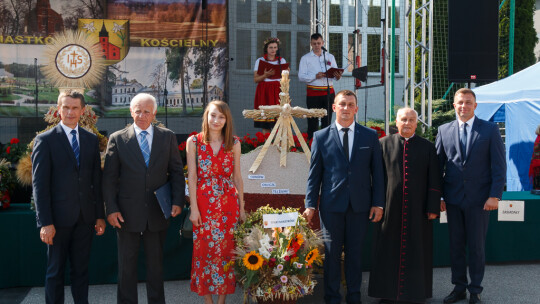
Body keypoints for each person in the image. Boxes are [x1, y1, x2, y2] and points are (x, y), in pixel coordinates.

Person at [303, 90, 385, 304]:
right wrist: (310, 204)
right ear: (334, 107)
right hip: (331, 207)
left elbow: (377, 173)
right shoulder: (320, 137)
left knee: (355, 254)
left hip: (360, 206)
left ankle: (354, 297)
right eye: (342, 104)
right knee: (330, 256)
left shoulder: (370, 136)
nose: (346, 108)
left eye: (350, 104)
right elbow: (315, 175)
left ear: (356, 109)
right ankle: (332, 298)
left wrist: (378, 203)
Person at [102, 93, 185, 304]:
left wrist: (177, 201)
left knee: (156, 268)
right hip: (126, 214)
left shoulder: (167, 137)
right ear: (131, 111)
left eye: (146, 111)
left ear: (154, 113)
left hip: (157, 212)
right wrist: (111, 209)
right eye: (137, 110)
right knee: (127, 268)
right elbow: (109, 179)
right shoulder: (118, 139)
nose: (141, 115)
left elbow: (176, 172)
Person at [32, 89, 106, 304]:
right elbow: (40, 185)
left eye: (75, 108)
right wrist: (45, 222)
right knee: (55, 272)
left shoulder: (91, 140)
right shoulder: (45, 140)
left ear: (83, 110)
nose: (70, 112)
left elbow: (96, 181)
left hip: (85, 219)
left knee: (81, 271)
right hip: (57, 221)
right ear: (58, 109)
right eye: (66, 107)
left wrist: (99, 215)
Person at [436, 88, 506, 304]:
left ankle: (475, 290)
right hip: (453, 199)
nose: (464, 106)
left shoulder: (490, 130)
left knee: (476, 246)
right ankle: (459, 288)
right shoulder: (443, 130)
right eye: (460, 102)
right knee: (456, 245)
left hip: (480, 200)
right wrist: (438, 197)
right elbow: (438, 166)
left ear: (475, 105)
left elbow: (499, 166)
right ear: (454, 105)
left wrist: (495, 195)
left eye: (468, 102)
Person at [368, 107, 441, 304]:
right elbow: (375, 177)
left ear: (416, 123)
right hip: (389, 207)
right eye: (403, 119)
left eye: (411, 120)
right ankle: (386, 292)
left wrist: (433, 208)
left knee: (418, 249)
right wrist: (376, 205)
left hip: (419, 209)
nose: (407, 123)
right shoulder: (382, 144)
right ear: (396, 122)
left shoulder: (427, 147)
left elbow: (434, 179)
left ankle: (417, 293)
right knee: (386, 248)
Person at [186, 100, 245, 304]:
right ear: (206, 116)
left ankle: (222, 300)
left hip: (228, 204)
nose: (217, 120)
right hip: (203, 203)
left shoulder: (234, 143)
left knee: (227, 250)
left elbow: (237, 177)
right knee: (203, 250)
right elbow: (192, 177)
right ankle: (208, 300)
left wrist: (242, 208)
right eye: (213, 115)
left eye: (221, 117)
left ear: (227, 120)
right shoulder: (194, 142)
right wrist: (193, 209)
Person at [299, 33, 343, 140]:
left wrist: (337, 76)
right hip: (313, 93)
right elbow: (301, 77)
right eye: (314, 44)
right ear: (311, 44)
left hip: (328, 93)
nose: (317, 46)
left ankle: (326, 143)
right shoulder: (306, 58)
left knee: (327, 121)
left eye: (319, 43)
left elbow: (335, 75)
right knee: (312, 121)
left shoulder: (329, 56)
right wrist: (315, 76)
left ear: (323, 43)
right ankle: (311, 144)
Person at [253, 37, 287, 134]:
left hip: (278, 90)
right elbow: (255, 79)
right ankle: (266, 144)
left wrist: (286, 73)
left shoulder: (282, 60)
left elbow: (285, 79)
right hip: (264, 91)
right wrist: (265, 75)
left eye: (275, 47)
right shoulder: (260, 61)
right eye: (271, 47)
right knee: (266, 120)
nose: (273, 50)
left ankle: (279, 145)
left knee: (279, 119)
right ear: (266, 49)